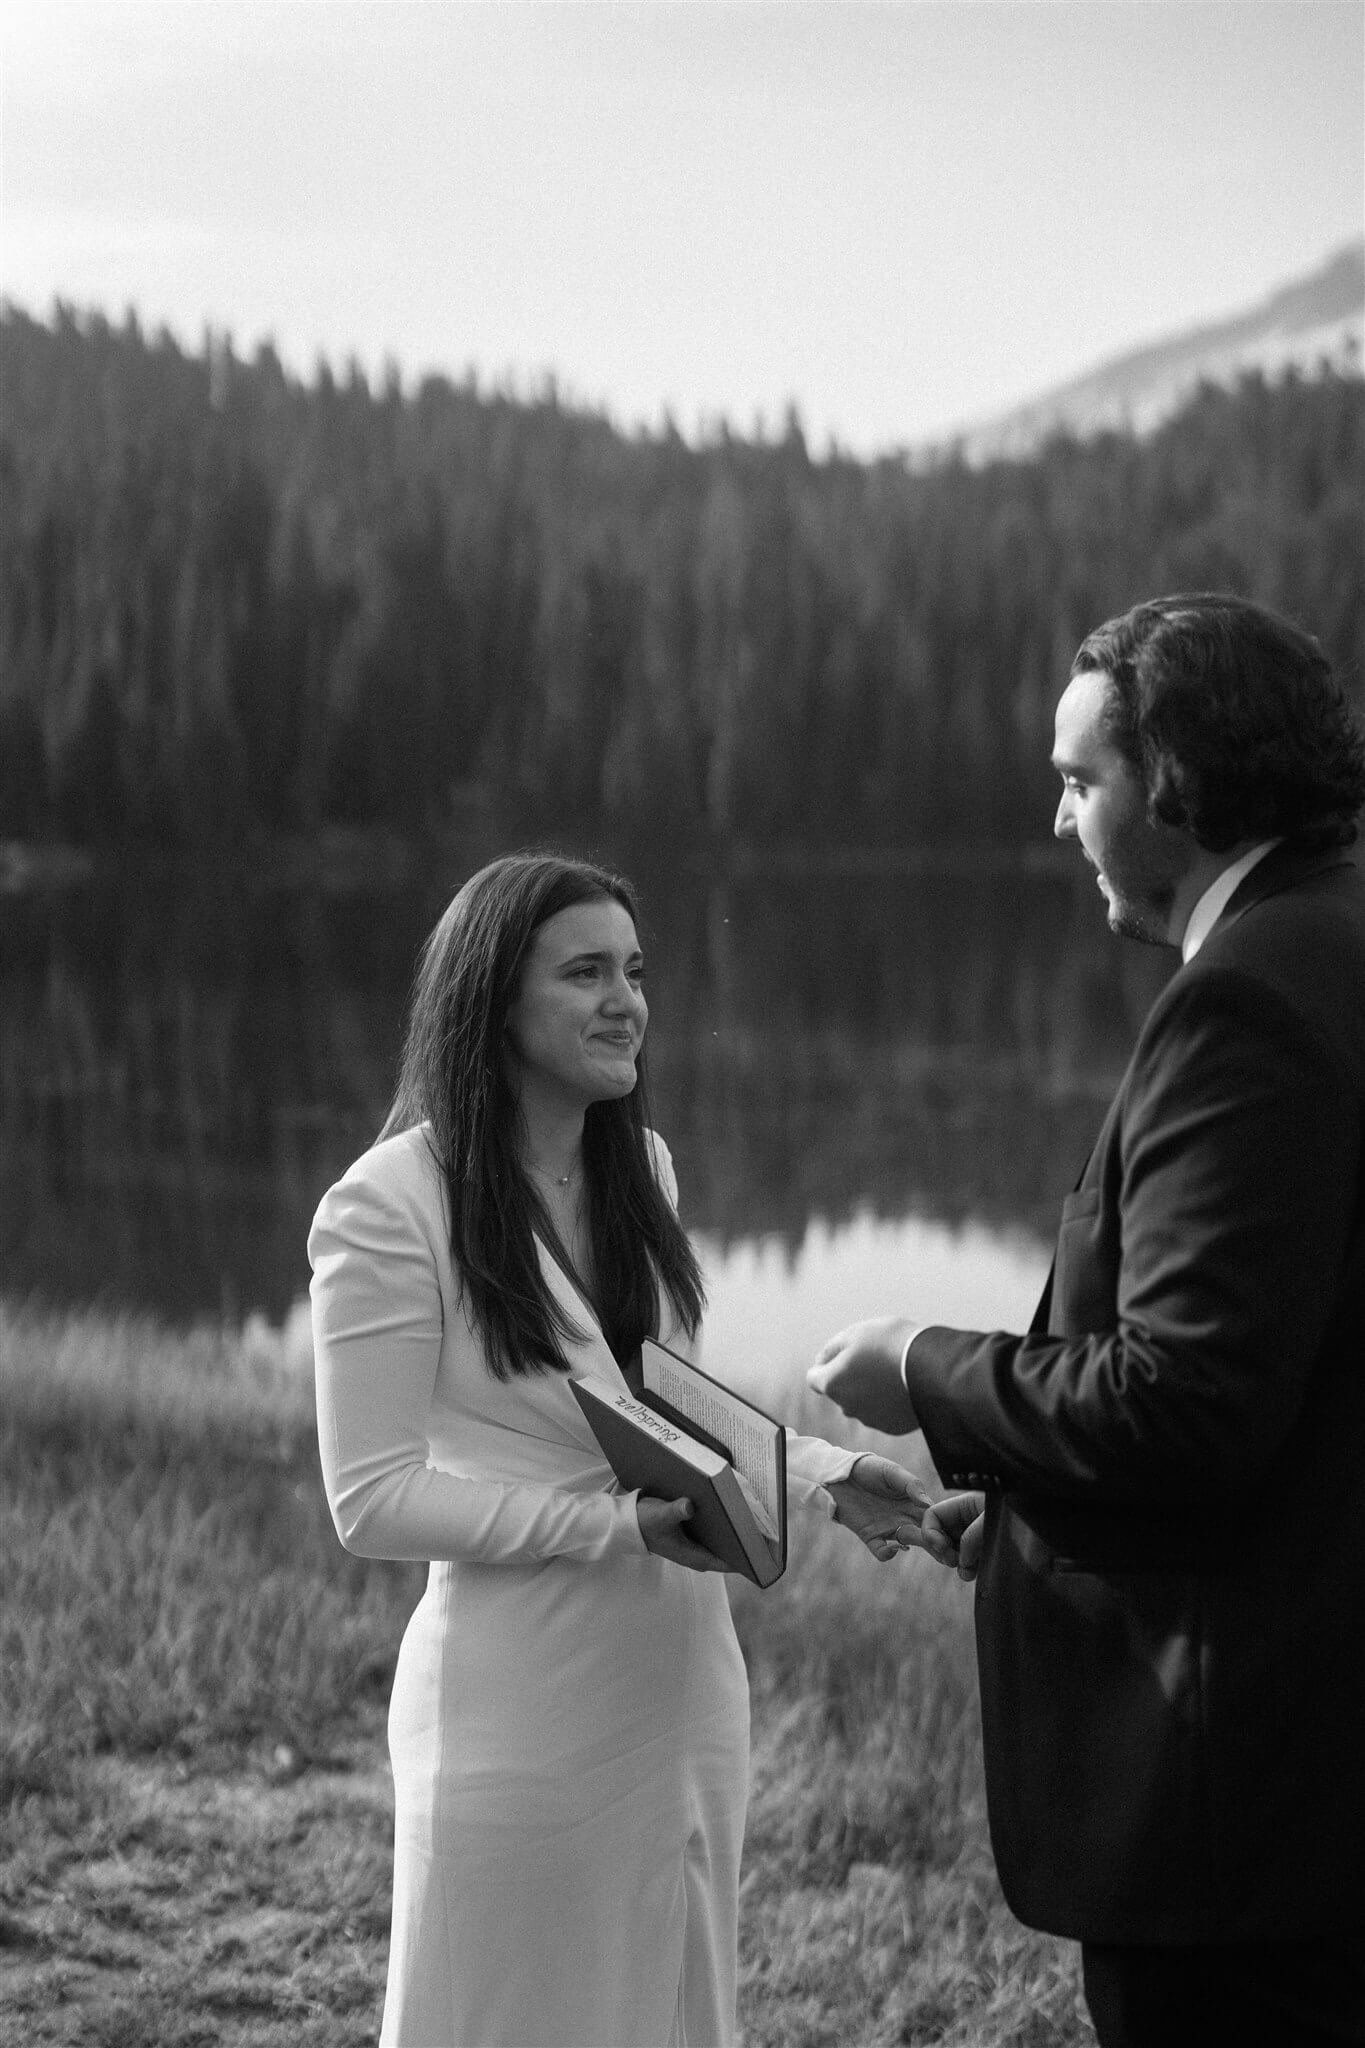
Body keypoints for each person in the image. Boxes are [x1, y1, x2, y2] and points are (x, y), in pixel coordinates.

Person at [810, 594, 1365, 2048]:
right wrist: (1036, 1502)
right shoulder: (1338, 936)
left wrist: (922, 1369)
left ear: (1172, 779)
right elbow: (1301, 1368)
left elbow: (1184, 1403)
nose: (1056, 823)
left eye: (1077, 781)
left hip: (1243, 1822)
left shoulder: (1244, 1000)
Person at [309, 851, 948, 2048]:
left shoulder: (639, 1169)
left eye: (637, 970)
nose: (628, 1001)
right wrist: (608, 1526)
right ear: (494, 999)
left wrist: (819, 1478)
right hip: (518, 1703)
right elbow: (372, 1499)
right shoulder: (386, 1205)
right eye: (587, 972)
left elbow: (658, 1394)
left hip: (683, 1681)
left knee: (669, 2006)